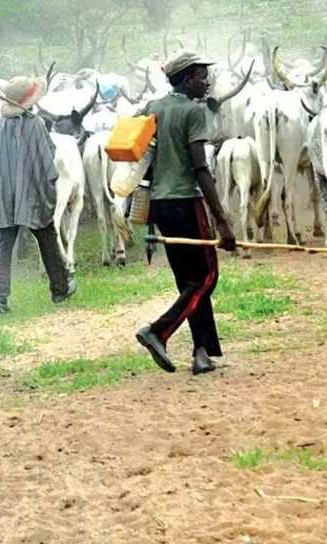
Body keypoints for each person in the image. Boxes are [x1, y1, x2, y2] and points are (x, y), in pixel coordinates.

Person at [134, 51, 237, 375]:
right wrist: (222, 220)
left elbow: (146, 157)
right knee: (206, 276)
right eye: (201, 76)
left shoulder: (153, 108)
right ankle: (158, 331)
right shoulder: (194, 112)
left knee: (188, 281)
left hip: (161, 205)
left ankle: (201, 353)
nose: (206, 82)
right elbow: (200, 168)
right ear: (187, 78)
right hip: (186, 201)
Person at [0, 76, 76, 314]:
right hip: (32, 194)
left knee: (4, 245)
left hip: (4, 194)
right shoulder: (35, 124)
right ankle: (59, 289)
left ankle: (0, 298)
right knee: (46, 237)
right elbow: (48, 159)